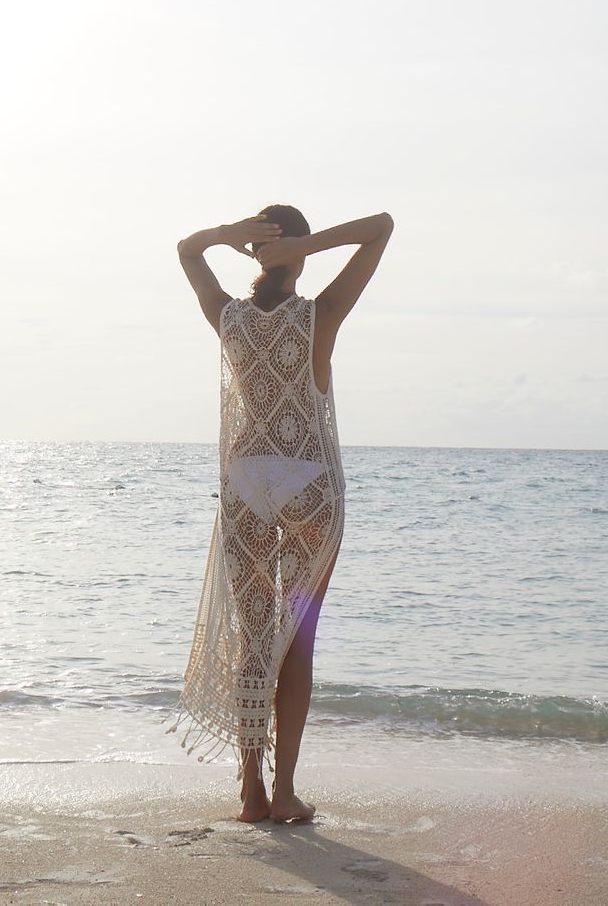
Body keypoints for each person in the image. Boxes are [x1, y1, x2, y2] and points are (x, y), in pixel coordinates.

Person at [173, 204, 394, 823]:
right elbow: (382, 226)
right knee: (296, 644)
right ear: (299, 251)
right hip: (309, 487)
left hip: (247, 481)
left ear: (252, 252)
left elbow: (187, 252)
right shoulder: (318, 316)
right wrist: (304, 245)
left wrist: (228, 237)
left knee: (253, 640)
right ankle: (286, 792)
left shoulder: (229, 318)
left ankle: (251, 793)